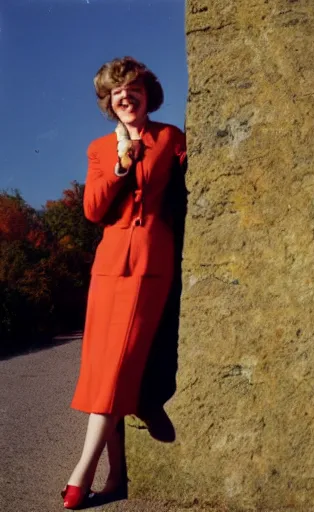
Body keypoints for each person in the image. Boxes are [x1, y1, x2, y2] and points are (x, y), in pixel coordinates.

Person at [61, 56, 186, 510]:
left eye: (133, 89)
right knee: (101, 369)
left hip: (152, 263)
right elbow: (93, 211)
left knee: (117, 366)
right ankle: (116, 478)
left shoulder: (170, 137)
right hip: (108, 267)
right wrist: (120, 164)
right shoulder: (99, 148)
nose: (126, 97)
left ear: (147, 93)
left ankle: (82, 472)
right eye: (117, 93)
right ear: (109, 103)